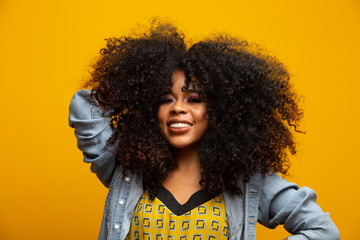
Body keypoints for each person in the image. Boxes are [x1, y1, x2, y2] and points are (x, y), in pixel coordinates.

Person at [68, 21, 340, 240]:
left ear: (221, 110)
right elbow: (85, 106)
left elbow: (322, 230)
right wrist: (128, 88)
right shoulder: (127, 169)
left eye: (194, 99)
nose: (178, 108)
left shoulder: (247, 181)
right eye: (166, 99)